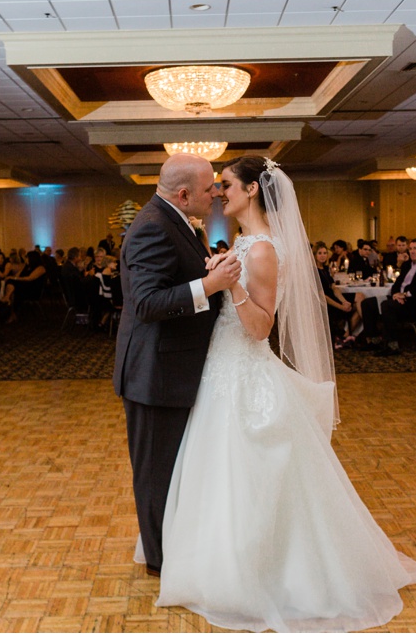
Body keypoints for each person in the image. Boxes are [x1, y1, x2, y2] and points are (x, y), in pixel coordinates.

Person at [153, 156, 416, 631]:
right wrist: (221, 275)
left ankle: (257, 575)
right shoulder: (245, 242)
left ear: (252, 190)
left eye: (227, 185)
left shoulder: (262, 250)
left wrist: (230, 284)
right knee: (218, 469)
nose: (220, 193)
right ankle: (216, 562)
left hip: (244, 368)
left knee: (247, 472)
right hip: (223, 367)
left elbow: (261, 328)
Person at [113, 153, 240, 579]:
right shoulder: (152, 227)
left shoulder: (173, 220)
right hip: (155, 374)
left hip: (172, 367)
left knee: (173, 468)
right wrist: (210, 284)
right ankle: (160, 562)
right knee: (155, 473)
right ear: (184, 195)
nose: (216, 194)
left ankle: (174, 549)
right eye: (209, 188)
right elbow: (147, 303)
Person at [365, 238, 416, 357]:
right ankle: (374, 340)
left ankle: (392, 345)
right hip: (399, 299)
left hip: (415, 304)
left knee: (387, 305)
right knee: (368, 303)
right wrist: (396, 295)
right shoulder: (407, 264)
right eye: (410, 249)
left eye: (415, 248)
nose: (412, 251)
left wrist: (405, 295)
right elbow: (397, 284)